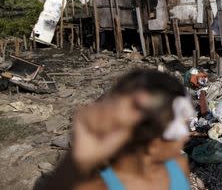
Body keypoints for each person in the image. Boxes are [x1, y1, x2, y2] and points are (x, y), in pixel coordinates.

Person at [37, 68, 193, 190]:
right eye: (181, 128)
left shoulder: (177, 166)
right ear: (153, 141)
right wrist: (75, 161)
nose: (186, 137)